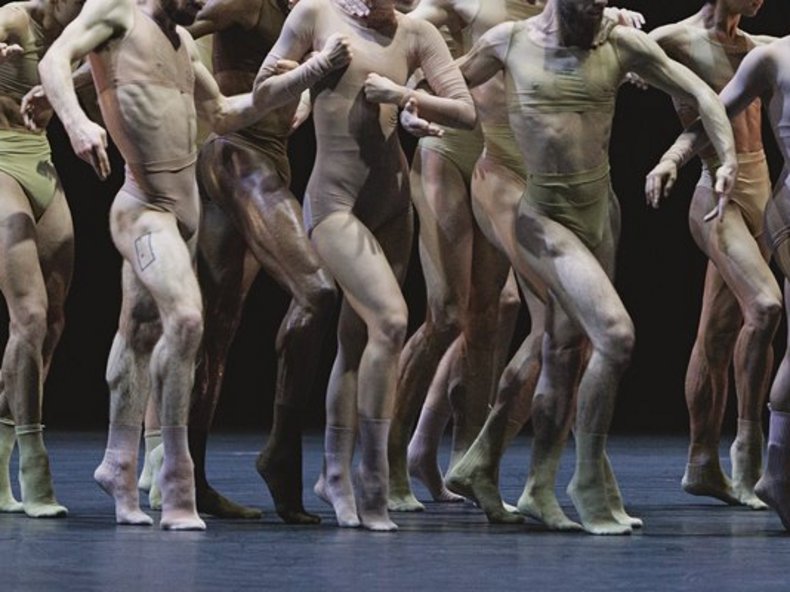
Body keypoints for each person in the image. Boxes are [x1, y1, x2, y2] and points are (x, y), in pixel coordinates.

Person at [37, 0, 331, 529]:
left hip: (184, 215)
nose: (201, 4)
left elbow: (224, 114)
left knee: (138, 332)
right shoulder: (116, 13)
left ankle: (118, 462)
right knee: (188, 319)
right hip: (144, 210)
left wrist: (307, 77)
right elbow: (55, 59)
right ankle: (177, 480)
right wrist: (76, 122)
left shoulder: (182, 44)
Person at [453, 0, 736, 534]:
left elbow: (702, 94)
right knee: (615, 335)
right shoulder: (509, 41)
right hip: (543, 217)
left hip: (601, 212)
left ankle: (520, 479)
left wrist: (726, 159)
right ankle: (586, 479)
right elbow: (446, 83)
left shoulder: (619, 42)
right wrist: (407, 108)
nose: (597, 11)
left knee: (564, 351)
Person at [253, 0, 476, 530]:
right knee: (392, 321)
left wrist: (405, 98)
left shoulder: (415, 32)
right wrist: (315, 68)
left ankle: (334, 473)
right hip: (334, 203)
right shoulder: (315, 14)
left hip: (391, 203)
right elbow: (262, 94)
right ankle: (372, 476)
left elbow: (465, 110)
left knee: (358, 341)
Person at [166, 0, 338, 523]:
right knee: (317, 291)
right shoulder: (246, 2)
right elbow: (161, 29)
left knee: (218, 326)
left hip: (270, 158)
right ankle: (282, 451)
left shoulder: (314, 11)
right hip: (236, 154)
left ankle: (189, 479)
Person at [646, 33, 790, 533]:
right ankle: (752, 454)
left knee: (720, 328)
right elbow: (711, 116)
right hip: (721, 195)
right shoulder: (763, 54)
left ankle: (712, 460)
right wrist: (671, 159)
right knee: (765, 308)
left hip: (761, 190)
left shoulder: (758, 46)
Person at [0, 0, 86, 518]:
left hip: (42, 164)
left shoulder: (90, 26)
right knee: (28, 317)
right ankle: (35, 466)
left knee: (51, 323)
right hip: (0, 162)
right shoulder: (14, 19)